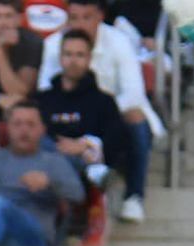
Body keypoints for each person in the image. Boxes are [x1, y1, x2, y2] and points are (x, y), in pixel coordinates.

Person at [35, 0, 156, 223]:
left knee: (136, 120)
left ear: (100, 16)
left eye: (86, 17)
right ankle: (91, 174)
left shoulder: (119, 41)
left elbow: (133, 93)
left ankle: (134, 197)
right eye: (74, 17)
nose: (79, 24)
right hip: (65, 116)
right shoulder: (54, 44)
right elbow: (45, 91)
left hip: (110, 113)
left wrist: (98, 113)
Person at [0, 100, 83, 246]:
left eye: (31, 125)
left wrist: (50, 183)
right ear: (7, 128)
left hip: (30, 243)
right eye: (17, 124)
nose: (24, 130)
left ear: (42, 130)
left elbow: (78, 195)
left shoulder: (53, 162)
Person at [32, 28, 129, 193]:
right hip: (46, 169)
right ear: (60, 57)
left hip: (81, 174)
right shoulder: (42, 99)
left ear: (89, 58)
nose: (73, 61)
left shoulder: (104, 102)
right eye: (68, 54)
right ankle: (88, 172)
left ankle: (85, 171)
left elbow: (116, 144)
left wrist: (84, 146)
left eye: (79, 55)